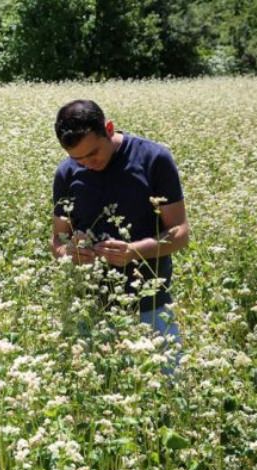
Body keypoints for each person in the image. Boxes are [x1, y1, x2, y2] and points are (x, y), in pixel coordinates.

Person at [50, 99, 189, 348]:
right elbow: (57, 242)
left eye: (92, 153)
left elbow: (180, 233)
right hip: (90, 304)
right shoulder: (66, 173)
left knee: (166, 381)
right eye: (77, 158)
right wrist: (70, 253)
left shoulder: (153, 159)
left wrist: (134, 252)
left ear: (110, 129)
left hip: (150, 301)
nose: (87, 164)